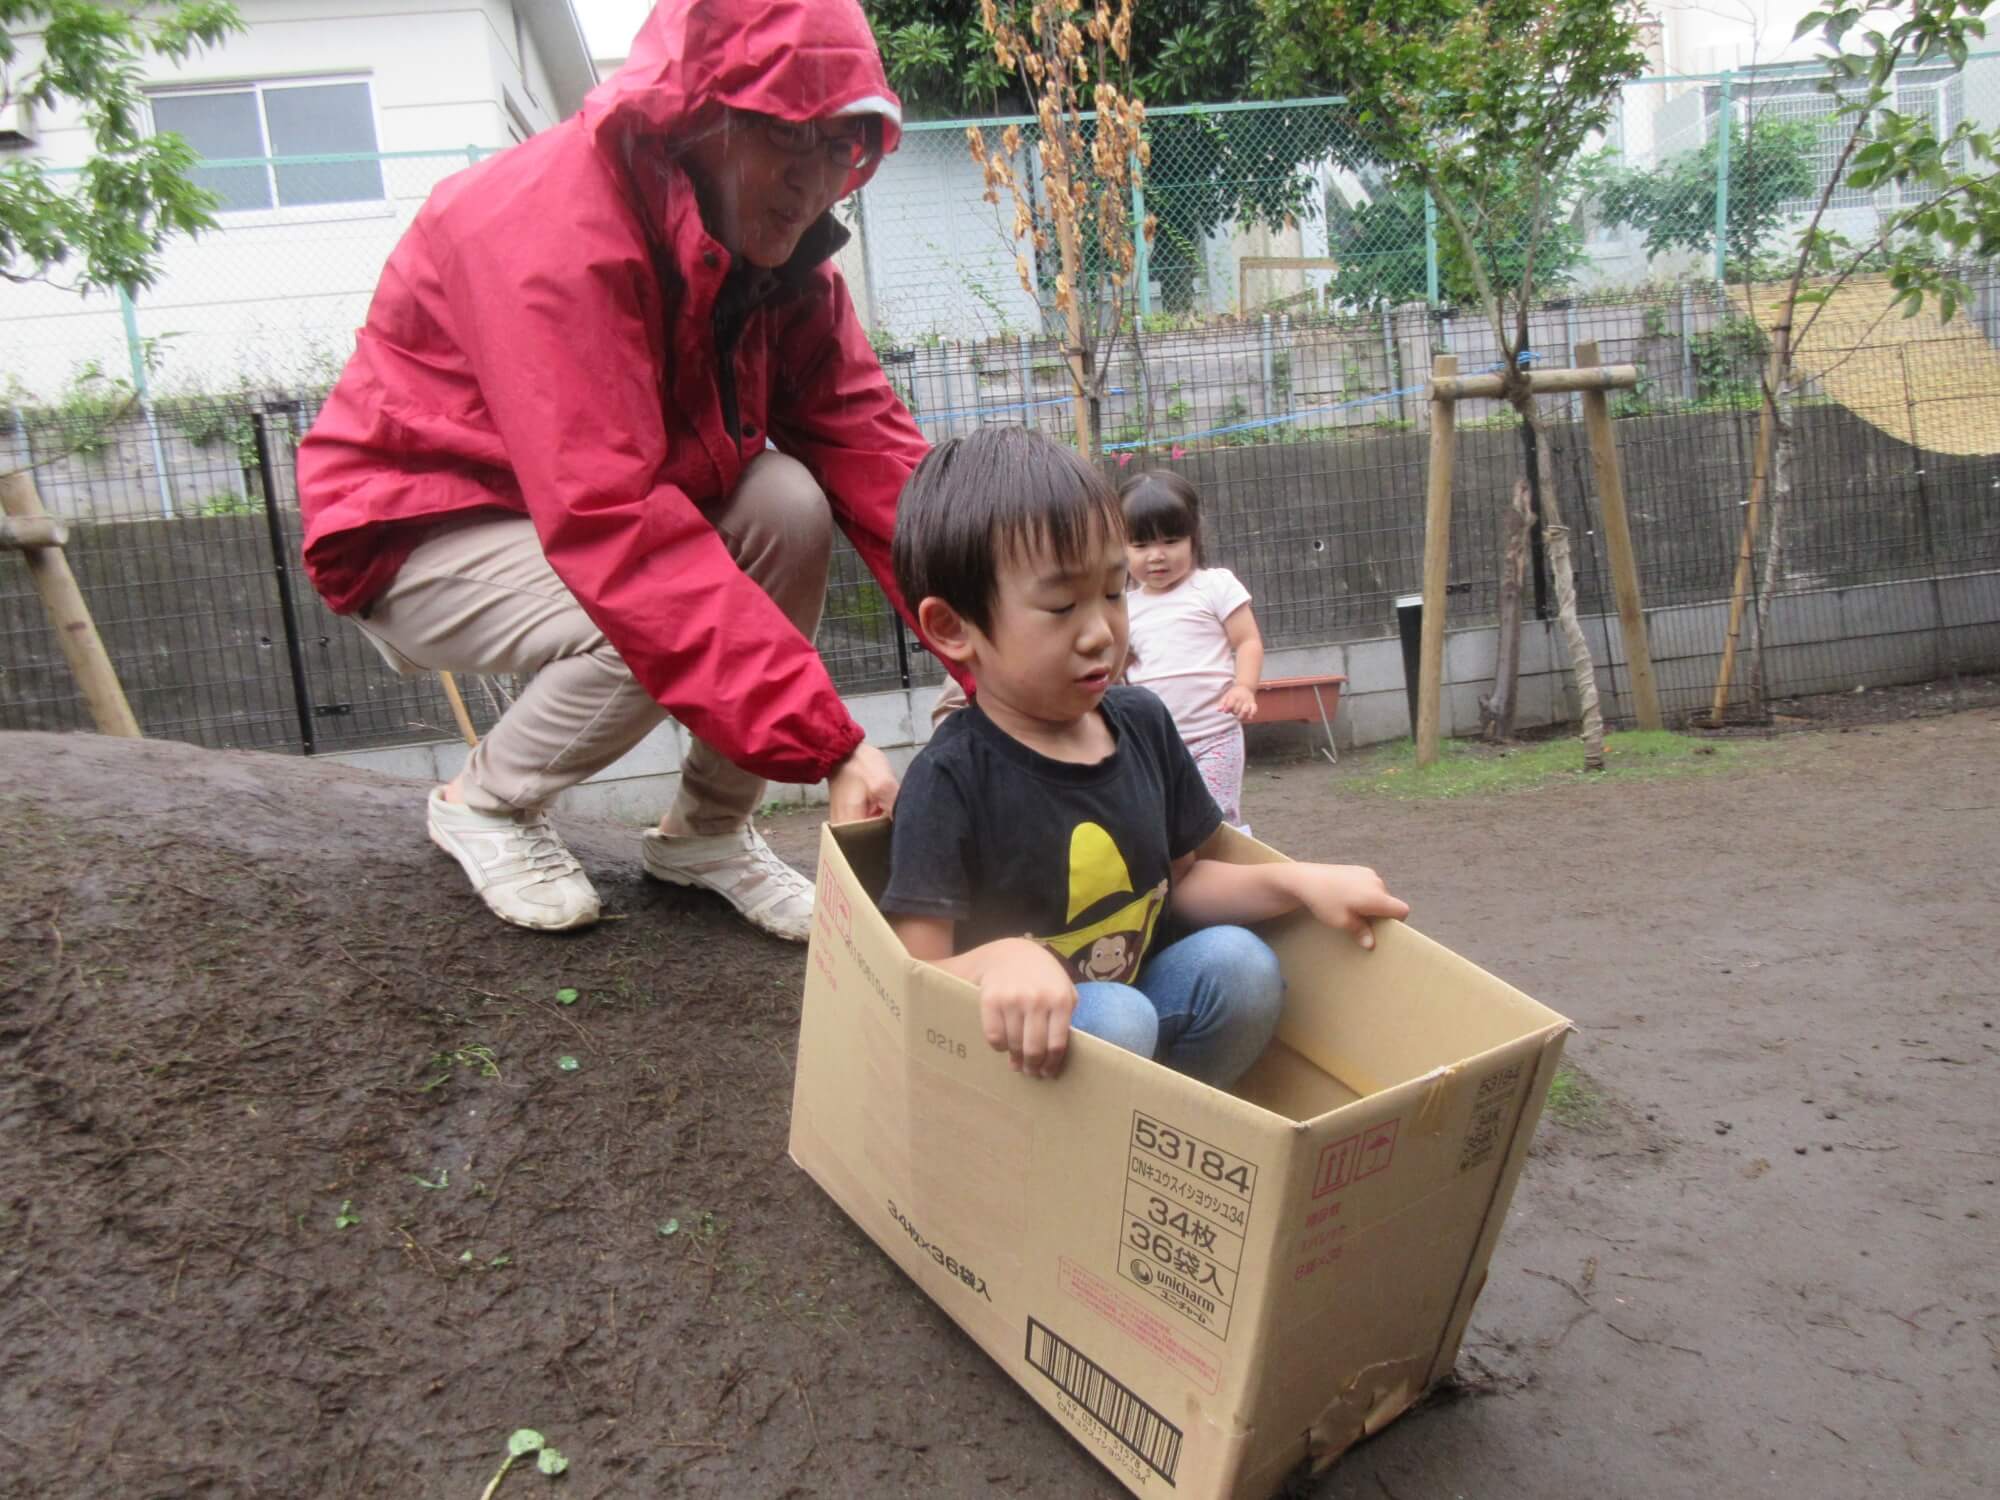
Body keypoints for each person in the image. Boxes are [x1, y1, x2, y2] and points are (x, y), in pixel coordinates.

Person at [295, 0, 952, 941]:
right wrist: (834, 746)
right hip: (413, 524)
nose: (813, 182)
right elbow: (616, 531)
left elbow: (873, 447)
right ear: (704, 114)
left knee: (787, 503)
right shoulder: (552, 230)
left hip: (570, 517)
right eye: (787, 140)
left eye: (840, 147)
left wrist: (990, 637)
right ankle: (484, 802)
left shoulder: (778, 259)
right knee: (638, 613)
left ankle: (706, 834)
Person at [879, 426, 1409, 1084]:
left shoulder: (1143, 722)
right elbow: (916, 974)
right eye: (1062, 604)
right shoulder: (947, 780)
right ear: (953, 628)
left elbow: (1183, 882)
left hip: (1139, 1007)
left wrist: (1298, 881)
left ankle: (1175, 1139)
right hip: (1028, 1058)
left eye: (1111, 591)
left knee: (1239, 965)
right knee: (1119, 1019)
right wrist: (995, 963)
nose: (1101, 631)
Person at [1119, 471, 1265, 833]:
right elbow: (1119, 670)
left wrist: (1244, 686)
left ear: (1193, 538)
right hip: (1153, 744)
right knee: (1162, 824)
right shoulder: (1121, 606)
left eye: (1170, 541)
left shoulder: (1214, 586)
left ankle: (1231, 883)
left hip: (1215, 734)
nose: (1157, 556)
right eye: (1140, 546)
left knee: (1215, 824)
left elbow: (1247, 641)